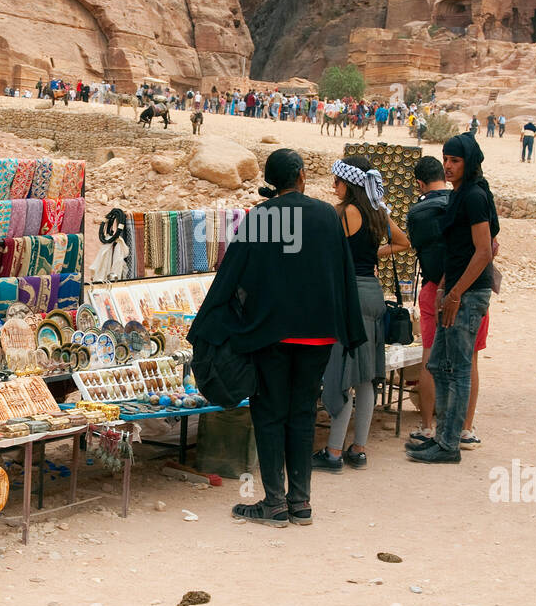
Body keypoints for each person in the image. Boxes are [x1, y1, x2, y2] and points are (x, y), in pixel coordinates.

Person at [189, 149, 364, 527]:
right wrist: (349, 329)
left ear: (272, 181)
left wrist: (205, 325)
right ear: (301, 175)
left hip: (271, 336)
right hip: (319, 337)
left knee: (269, 414)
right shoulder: (326, 215)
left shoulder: (261, 218)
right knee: (302, 414)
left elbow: (232, 274)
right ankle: (300, 503)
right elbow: (343, 273)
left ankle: (274, 503)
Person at [315, 156, 411, 473]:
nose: (334, 186)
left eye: (337, 181)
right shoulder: (376, 211)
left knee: (340, 372)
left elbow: (325, 254)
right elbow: (403, 242)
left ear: (349, 183)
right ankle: (358, 450)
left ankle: (331, 453)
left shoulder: (342, 213)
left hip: (348, 295)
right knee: (367, 376)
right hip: (373, 294)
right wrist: (372, 253)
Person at [406, 133, 498, 463]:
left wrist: (456, 292)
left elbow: (484, 250)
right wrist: (445, 286)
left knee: (458, 367)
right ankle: (442, 435)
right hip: (454, 290)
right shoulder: (459, 195)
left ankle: (449, 444)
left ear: (468, 163)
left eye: (455, 160)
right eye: (445, 159)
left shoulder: (473, 196)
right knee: (437, 363)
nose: (447, 166)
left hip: (468, 293)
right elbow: (464, 249)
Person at [405, 156, 452, 442]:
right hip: (468, 286)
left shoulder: (419, 212)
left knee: (429, 359)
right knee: (466, 361)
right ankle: (463, 428)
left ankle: (427, 427)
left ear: (420, 183)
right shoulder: (463, 203)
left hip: (433, 288)